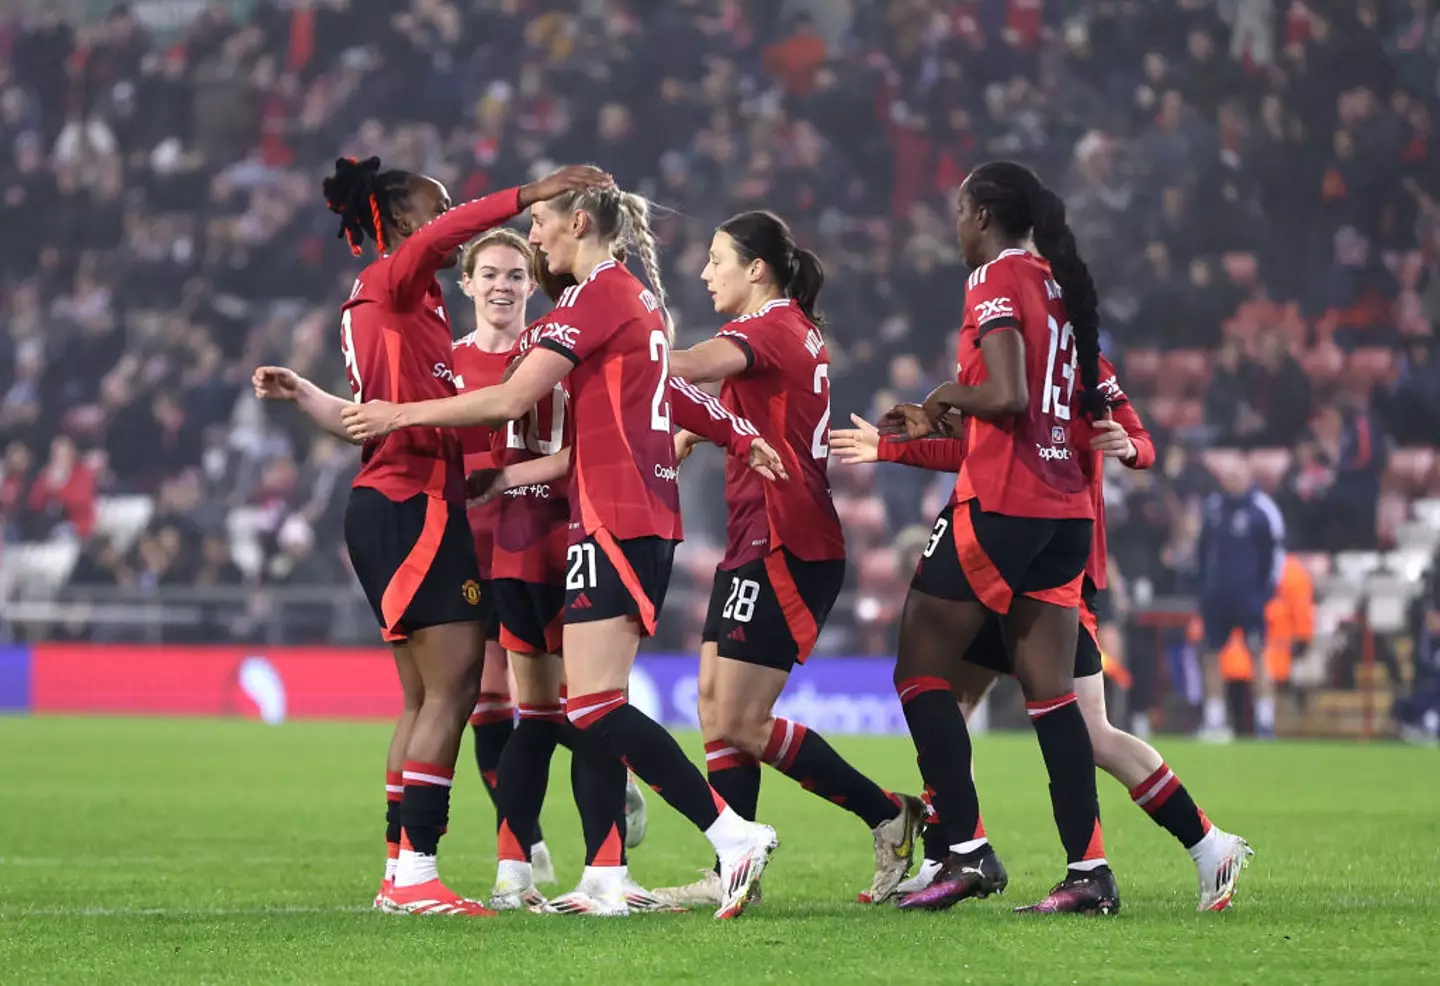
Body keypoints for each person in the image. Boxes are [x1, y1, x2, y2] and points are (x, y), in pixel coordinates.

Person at [340, 181, 783, 920]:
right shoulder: (631, 298)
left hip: (614, 515)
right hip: (612, 515)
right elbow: (666, 385)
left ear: (578, 222)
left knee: (589, 706)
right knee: (577, 709)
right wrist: (739, 435)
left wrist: (400, 412)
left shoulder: (594, 300)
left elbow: (512, 401)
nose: (533, 238)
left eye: (539, 224)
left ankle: (732, 836)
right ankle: (601, 876)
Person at [258, 155, 610, 917]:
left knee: (421, 698)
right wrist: (535, 190)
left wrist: (304, 393)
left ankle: (399, 872)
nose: (453, 216)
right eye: (439, 206)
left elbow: (366, 417)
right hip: (411, 506)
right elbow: (458, 229)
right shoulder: (395, 276)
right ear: (408, 220)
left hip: (397, 500)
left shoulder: (403, 308)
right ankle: (418, 874)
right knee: (453, 688)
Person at [833, 356, 1255, 912]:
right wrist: (895, 448)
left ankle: (1201, 844)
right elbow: (981, 454)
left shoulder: (1074, 357)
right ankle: (951, 852)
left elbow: (1139, 437)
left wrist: (1129, 448)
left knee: (1086, 731)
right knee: (951, 700)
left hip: (1055, 564)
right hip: (1012, 554)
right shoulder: (1010, 342)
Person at [649, 211, 924, 910]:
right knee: (715, 708)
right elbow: (751, 410)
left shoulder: (769, 327)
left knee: (740, 720)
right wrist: (699, 434)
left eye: (717, 260)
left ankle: (888, 812)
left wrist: (617, 347)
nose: (706, 273)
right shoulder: (784, 331)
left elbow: (688, 365)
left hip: (786, 540)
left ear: (756, 269)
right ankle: (729, 867)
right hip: (756, 534)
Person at [878, 161, 1116, 915]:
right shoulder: (1058, 284)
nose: (955, 227)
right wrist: (946, 419)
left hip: (1006, 504)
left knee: (920, 673)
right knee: (1052, 701)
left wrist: (942, 396)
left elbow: (1008, 397)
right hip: (1066, 511)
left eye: (958, 212)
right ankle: (1089, 872)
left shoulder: (995, 280)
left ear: (982, 216)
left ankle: (968, 854)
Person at [1197, 458, 1286, 741]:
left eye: (1237, 475)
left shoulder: (1263, 510)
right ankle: (1214, 721)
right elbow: (1202, 552)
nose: (1231, 480)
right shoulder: (1213, 508)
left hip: (1250, 600)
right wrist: (1204, 588)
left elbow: (1276, 557)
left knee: (1258, 656)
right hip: (1217, 599)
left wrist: (1264, 595)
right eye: (1227, 475)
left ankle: (1264, 722)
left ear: (1249, 476)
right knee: (1211, 656)